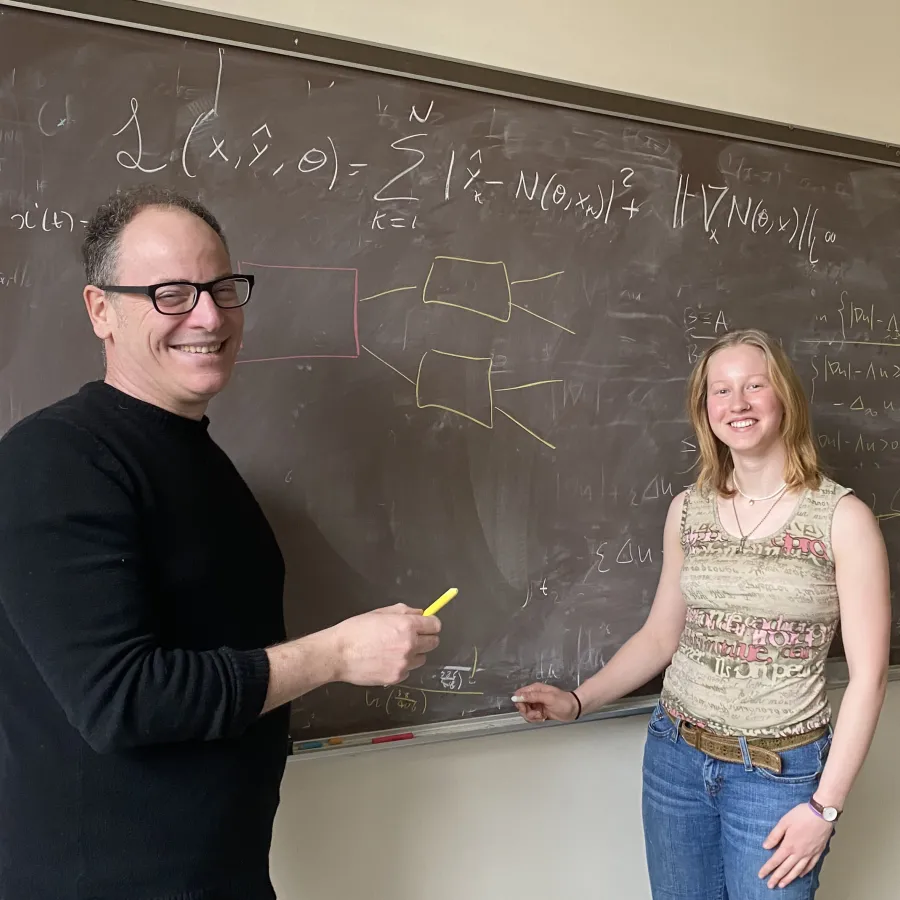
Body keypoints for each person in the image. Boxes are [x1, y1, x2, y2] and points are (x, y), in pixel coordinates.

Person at [0, 185, 442, 900]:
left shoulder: (199, 458)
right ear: (100, 310)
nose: (208, 315)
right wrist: (335, 654)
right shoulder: (56, 462)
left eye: (221, 288)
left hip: (215, 874)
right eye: (170, 293)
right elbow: (122, 701)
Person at [513, 328, 890, 899]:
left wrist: (825, 807)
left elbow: (868, 678)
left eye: (754, 386)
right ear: (704, 409)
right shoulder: (687, 511)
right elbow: (662, 635)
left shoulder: (843, 519)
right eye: (721, 390)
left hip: (777, 776)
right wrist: (578, 700)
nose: (737, 403)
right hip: (676, 759)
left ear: (784, 397)